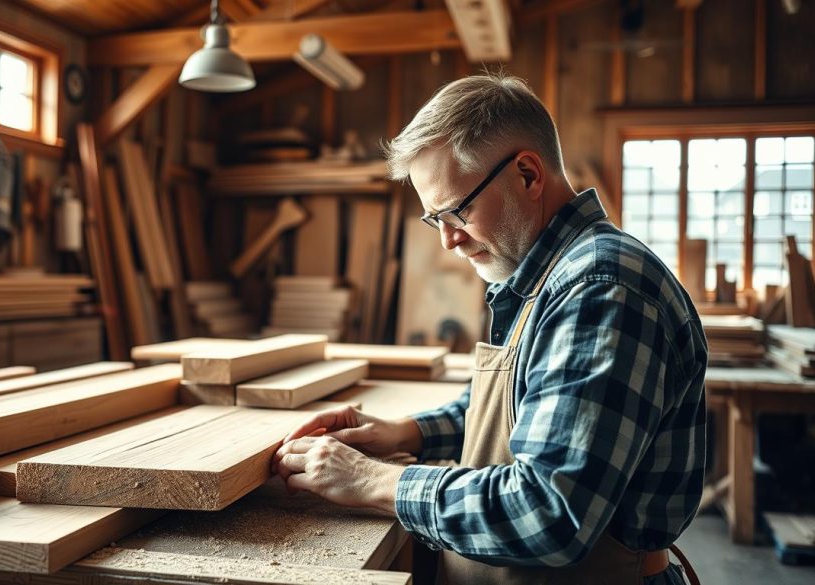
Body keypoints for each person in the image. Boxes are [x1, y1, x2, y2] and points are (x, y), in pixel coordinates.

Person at [271, 74, 707, 585]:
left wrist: (373, 480)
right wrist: (404, 432)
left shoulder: (600, 288)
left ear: (526, 174)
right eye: (435, 220)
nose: (449, 241)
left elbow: (547, 513)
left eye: (458, 211)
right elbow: (533, 408)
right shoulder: (551, 273)